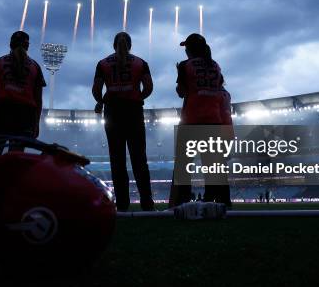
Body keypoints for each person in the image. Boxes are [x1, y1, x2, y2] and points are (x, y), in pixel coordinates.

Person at [169, 33, 233, 208]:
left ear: (190, 49)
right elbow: (220, 88)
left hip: (191, 120)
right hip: (213, 121)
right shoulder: (216, 66)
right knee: (214, 167)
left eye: (186, 48)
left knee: (183, 166)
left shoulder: (185, 66)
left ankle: (180, 203)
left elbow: (181, 92)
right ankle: (223, 203)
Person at [92, 32, 155, 212]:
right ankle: (147, 202)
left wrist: (101, 101)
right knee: (139, 158)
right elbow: (149, 87)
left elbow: (96, 89)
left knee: (117, 159)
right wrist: (138, 97)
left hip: (112, 112)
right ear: (130, 45)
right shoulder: (141, 63)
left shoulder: (103, 63)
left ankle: (122, 204)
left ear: (114, 45)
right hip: (133, 111)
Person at [0, 31, 46, 187]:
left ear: (10, 44)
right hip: (25, 115)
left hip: (1, 111)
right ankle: (7, 198)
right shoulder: (35, 66)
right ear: (27, 46)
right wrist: (36, 124)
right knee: (15, 159)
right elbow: (38, 99)